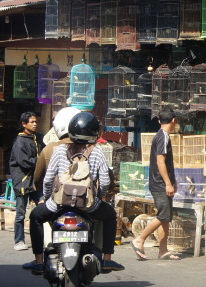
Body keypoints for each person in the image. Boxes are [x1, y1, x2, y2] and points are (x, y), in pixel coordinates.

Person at [25, 112, 124, 274]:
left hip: (58, 204)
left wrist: (48, 197)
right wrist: (98, 198)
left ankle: (38, 261)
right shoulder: (97, 152)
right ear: (94, 133)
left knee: (35, 216)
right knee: (110, 215)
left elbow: (48, 180)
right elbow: (105, 182)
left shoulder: (59, 150)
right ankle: (107, 259)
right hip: (88, 206)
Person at [130, 108, 179, 260]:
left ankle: (163, 250)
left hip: (161, 182)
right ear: (173, 121)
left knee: (166, 216)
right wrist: (168, 183)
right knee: (163, 215)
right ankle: (139, 239)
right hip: (159, 183)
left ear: (159, 121)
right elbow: (160, 161)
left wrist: (172, 181)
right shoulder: (163, 137)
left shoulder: (160, 135)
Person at [9, 111, 44, 251]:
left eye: (36, 122)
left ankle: (44, 239)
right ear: (24, 124)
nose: (35, 124)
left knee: (43, 209)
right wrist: (40, 161)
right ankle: (19, 241)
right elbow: (24, 162)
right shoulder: (19, 141)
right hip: (23, 181)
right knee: (20, 214)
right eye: (32, 122)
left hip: (35, 181)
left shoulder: (38, 138)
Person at [32, 107, 80, 193]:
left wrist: (46, 197)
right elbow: (106, 181)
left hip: (56, 201)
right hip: (88, 202)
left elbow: (39, 179)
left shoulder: (49, 149)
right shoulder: (94, 149)